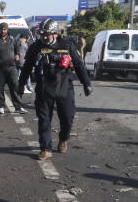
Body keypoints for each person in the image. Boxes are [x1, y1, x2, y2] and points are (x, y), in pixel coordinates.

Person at [17, 19, 92, 160]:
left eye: (48, 34)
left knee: (67, 118)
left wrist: (86, 83)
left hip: (64, 88)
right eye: (42, 34)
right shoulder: (35, 47)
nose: (44, 37)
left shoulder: (68, 46)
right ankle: (45, 148)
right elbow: (27, 67)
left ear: (56, 34)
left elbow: (79, 65)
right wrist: (21, 84)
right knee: (44, 120)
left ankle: (64, 139)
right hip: (44, 89)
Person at [0, 22, 26, 114]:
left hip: (12, 67)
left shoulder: (13, 40)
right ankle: (0, 106)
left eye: (4, 29)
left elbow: (17, 50)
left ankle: (18, 106)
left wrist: (17, 55)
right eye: (1, 29)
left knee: (15, 86)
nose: (3, 31)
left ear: (7, 30)